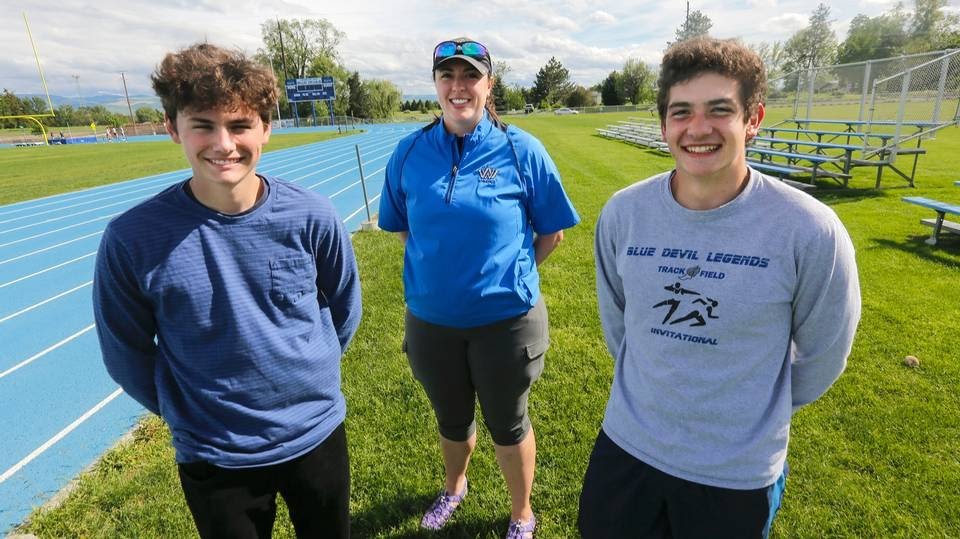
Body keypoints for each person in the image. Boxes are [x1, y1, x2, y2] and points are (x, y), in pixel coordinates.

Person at [579, 37, 861, 538]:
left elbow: (824, 354)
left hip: (734, 472)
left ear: (753, 119)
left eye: (719, 110)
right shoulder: (624, 213)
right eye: (681, 112)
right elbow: (619, 324)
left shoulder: (809, 230)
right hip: (627, 445)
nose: (698, 128)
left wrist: (749, 410)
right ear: (664, 124)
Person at [92, 43, 361, 539]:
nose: (224, 144)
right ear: (173, 128)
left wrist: (311, 376)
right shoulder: (131, 239)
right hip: (216, 456)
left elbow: (344, 307)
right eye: (203, 125)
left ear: (265, 128)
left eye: (239, 125)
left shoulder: (312, 216)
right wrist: (188, 413)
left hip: (316, 435)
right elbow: (125, 354)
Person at [378, 37, 580, 539]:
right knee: (451, 419)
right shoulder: (409, 152)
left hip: (506, 324)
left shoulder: (521, 149)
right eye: (447, 75)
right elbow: (404, 228)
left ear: (489, 85)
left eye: (470, 75)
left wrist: (506, 275)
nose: (458, 86)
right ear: (435, 85)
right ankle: (455, 487)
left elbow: (551, 233)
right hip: (432, 323)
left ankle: (521, 513)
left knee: (509, 423)